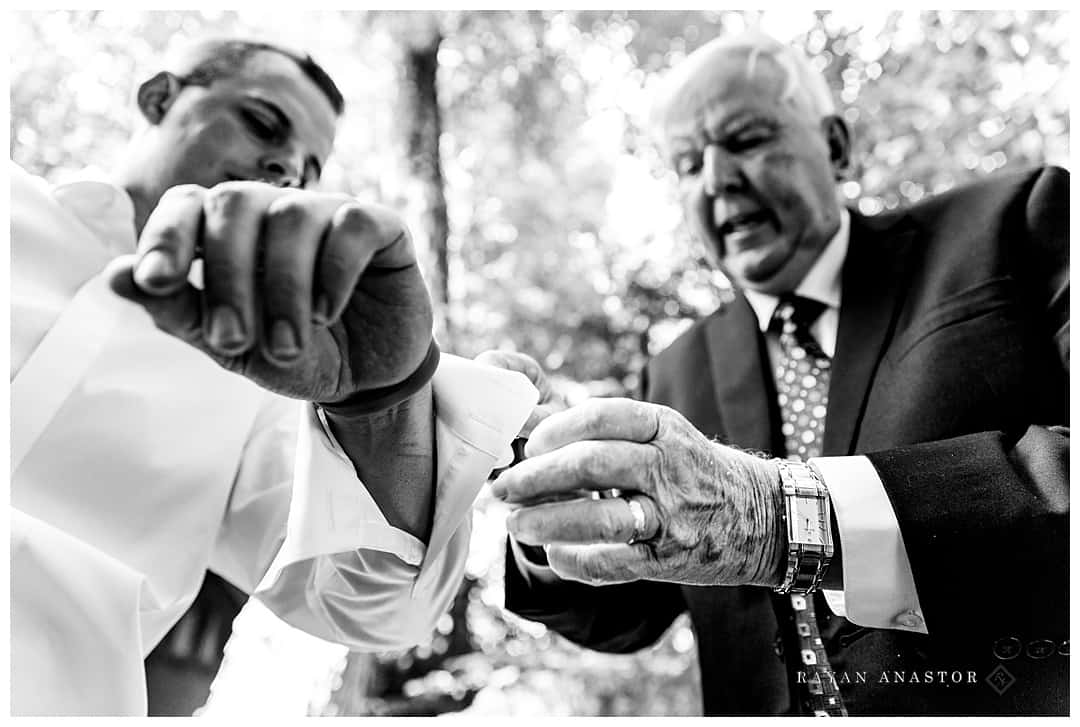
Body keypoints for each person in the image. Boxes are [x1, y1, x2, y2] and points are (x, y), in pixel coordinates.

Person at [494, 30, 1068, 716]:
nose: (715, 179)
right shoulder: (675, 371)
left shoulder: (1017, 223)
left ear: (834, 146)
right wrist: (548, 497)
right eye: (686, 163)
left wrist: (776, 516)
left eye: (744, 138)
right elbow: (627, 614)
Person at [10, 38, 537, 716]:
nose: (286, 167)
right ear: (159, 98)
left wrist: (380, 401)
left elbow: (375, 607)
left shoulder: (266, 397)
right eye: (264, 122)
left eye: (310, 169)